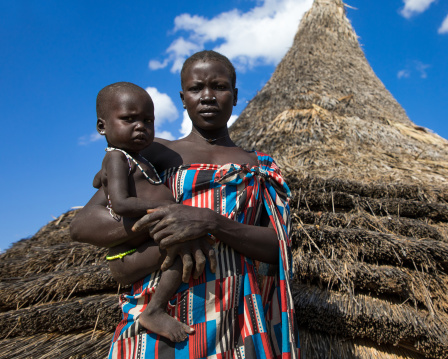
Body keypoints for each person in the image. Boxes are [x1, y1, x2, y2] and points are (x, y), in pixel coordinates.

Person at [71, 50, 300, 358]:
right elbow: (83, 225)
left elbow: (278, 247)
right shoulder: (154, 153)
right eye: (196, 88)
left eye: (219, 86)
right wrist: (169, 222)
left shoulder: (260, 167)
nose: (207, 96)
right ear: (183, 98)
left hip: (238, 313)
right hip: (163, 311)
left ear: (235, 95)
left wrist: (211, 221)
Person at [93, 81, 195, 342]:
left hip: (142, 242)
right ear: (102, 126)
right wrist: (170, 208)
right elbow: (121, 203)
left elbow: (99, 181)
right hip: (127, 252)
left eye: (147, 121)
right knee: (180, 245)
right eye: (129, 119)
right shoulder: (117, 158)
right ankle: (155, 310)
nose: (140, 126)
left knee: (183, 244)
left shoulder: (135, 158)